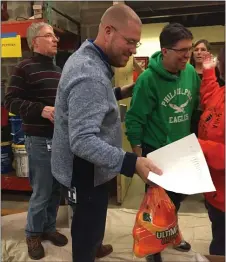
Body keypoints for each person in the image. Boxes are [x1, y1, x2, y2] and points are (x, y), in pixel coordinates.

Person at [51, 4, 162, 262]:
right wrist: (132, 162)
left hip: (93, 169)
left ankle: (95, 245)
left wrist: (123, 91)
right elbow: (82, 141)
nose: (134, 49)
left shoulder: (91, 58)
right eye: (131, 42)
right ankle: (87, 252)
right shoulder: (89, 73)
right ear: (109, 31)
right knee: (86, 223)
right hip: (84, 171)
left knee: (96, 215)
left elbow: (92, 105)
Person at [125, 23, 201, 262]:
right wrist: (139, 156)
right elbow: (135, 118)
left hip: (182, 147)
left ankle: (173, 234)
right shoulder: (148, 79)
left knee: (176, 198)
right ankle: (154, 247)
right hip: (156, 149)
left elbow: (195, 105)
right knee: (158, 203)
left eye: (189, 48)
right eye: (182, 50)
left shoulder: (189, 72)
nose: (187, 55)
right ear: (165, 50)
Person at [4, 22, 68, 260]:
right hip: (39, 140)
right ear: (35, 42)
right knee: (41, 190)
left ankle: (48, 228)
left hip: (59, 139)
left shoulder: (58, 70)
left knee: (55, 189)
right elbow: (10, 101)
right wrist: (41, 110)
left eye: (55, 36)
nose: (55, 40)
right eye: (49, 35)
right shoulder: (24, 68)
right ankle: (32, 234)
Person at [198, 47, 225, 256]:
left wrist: (200, 146)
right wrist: (208, 72)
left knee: (220, 246)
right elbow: (211, 96)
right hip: (215, 190)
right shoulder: (222, 92)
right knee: (217, 228)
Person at [190, 39, 224, 135]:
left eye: (203, 49)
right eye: (196, 50)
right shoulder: (187, 72)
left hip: (212, 118)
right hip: (191, 116)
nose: (199, 52)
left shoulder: (217, 74)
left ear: (209, 53)